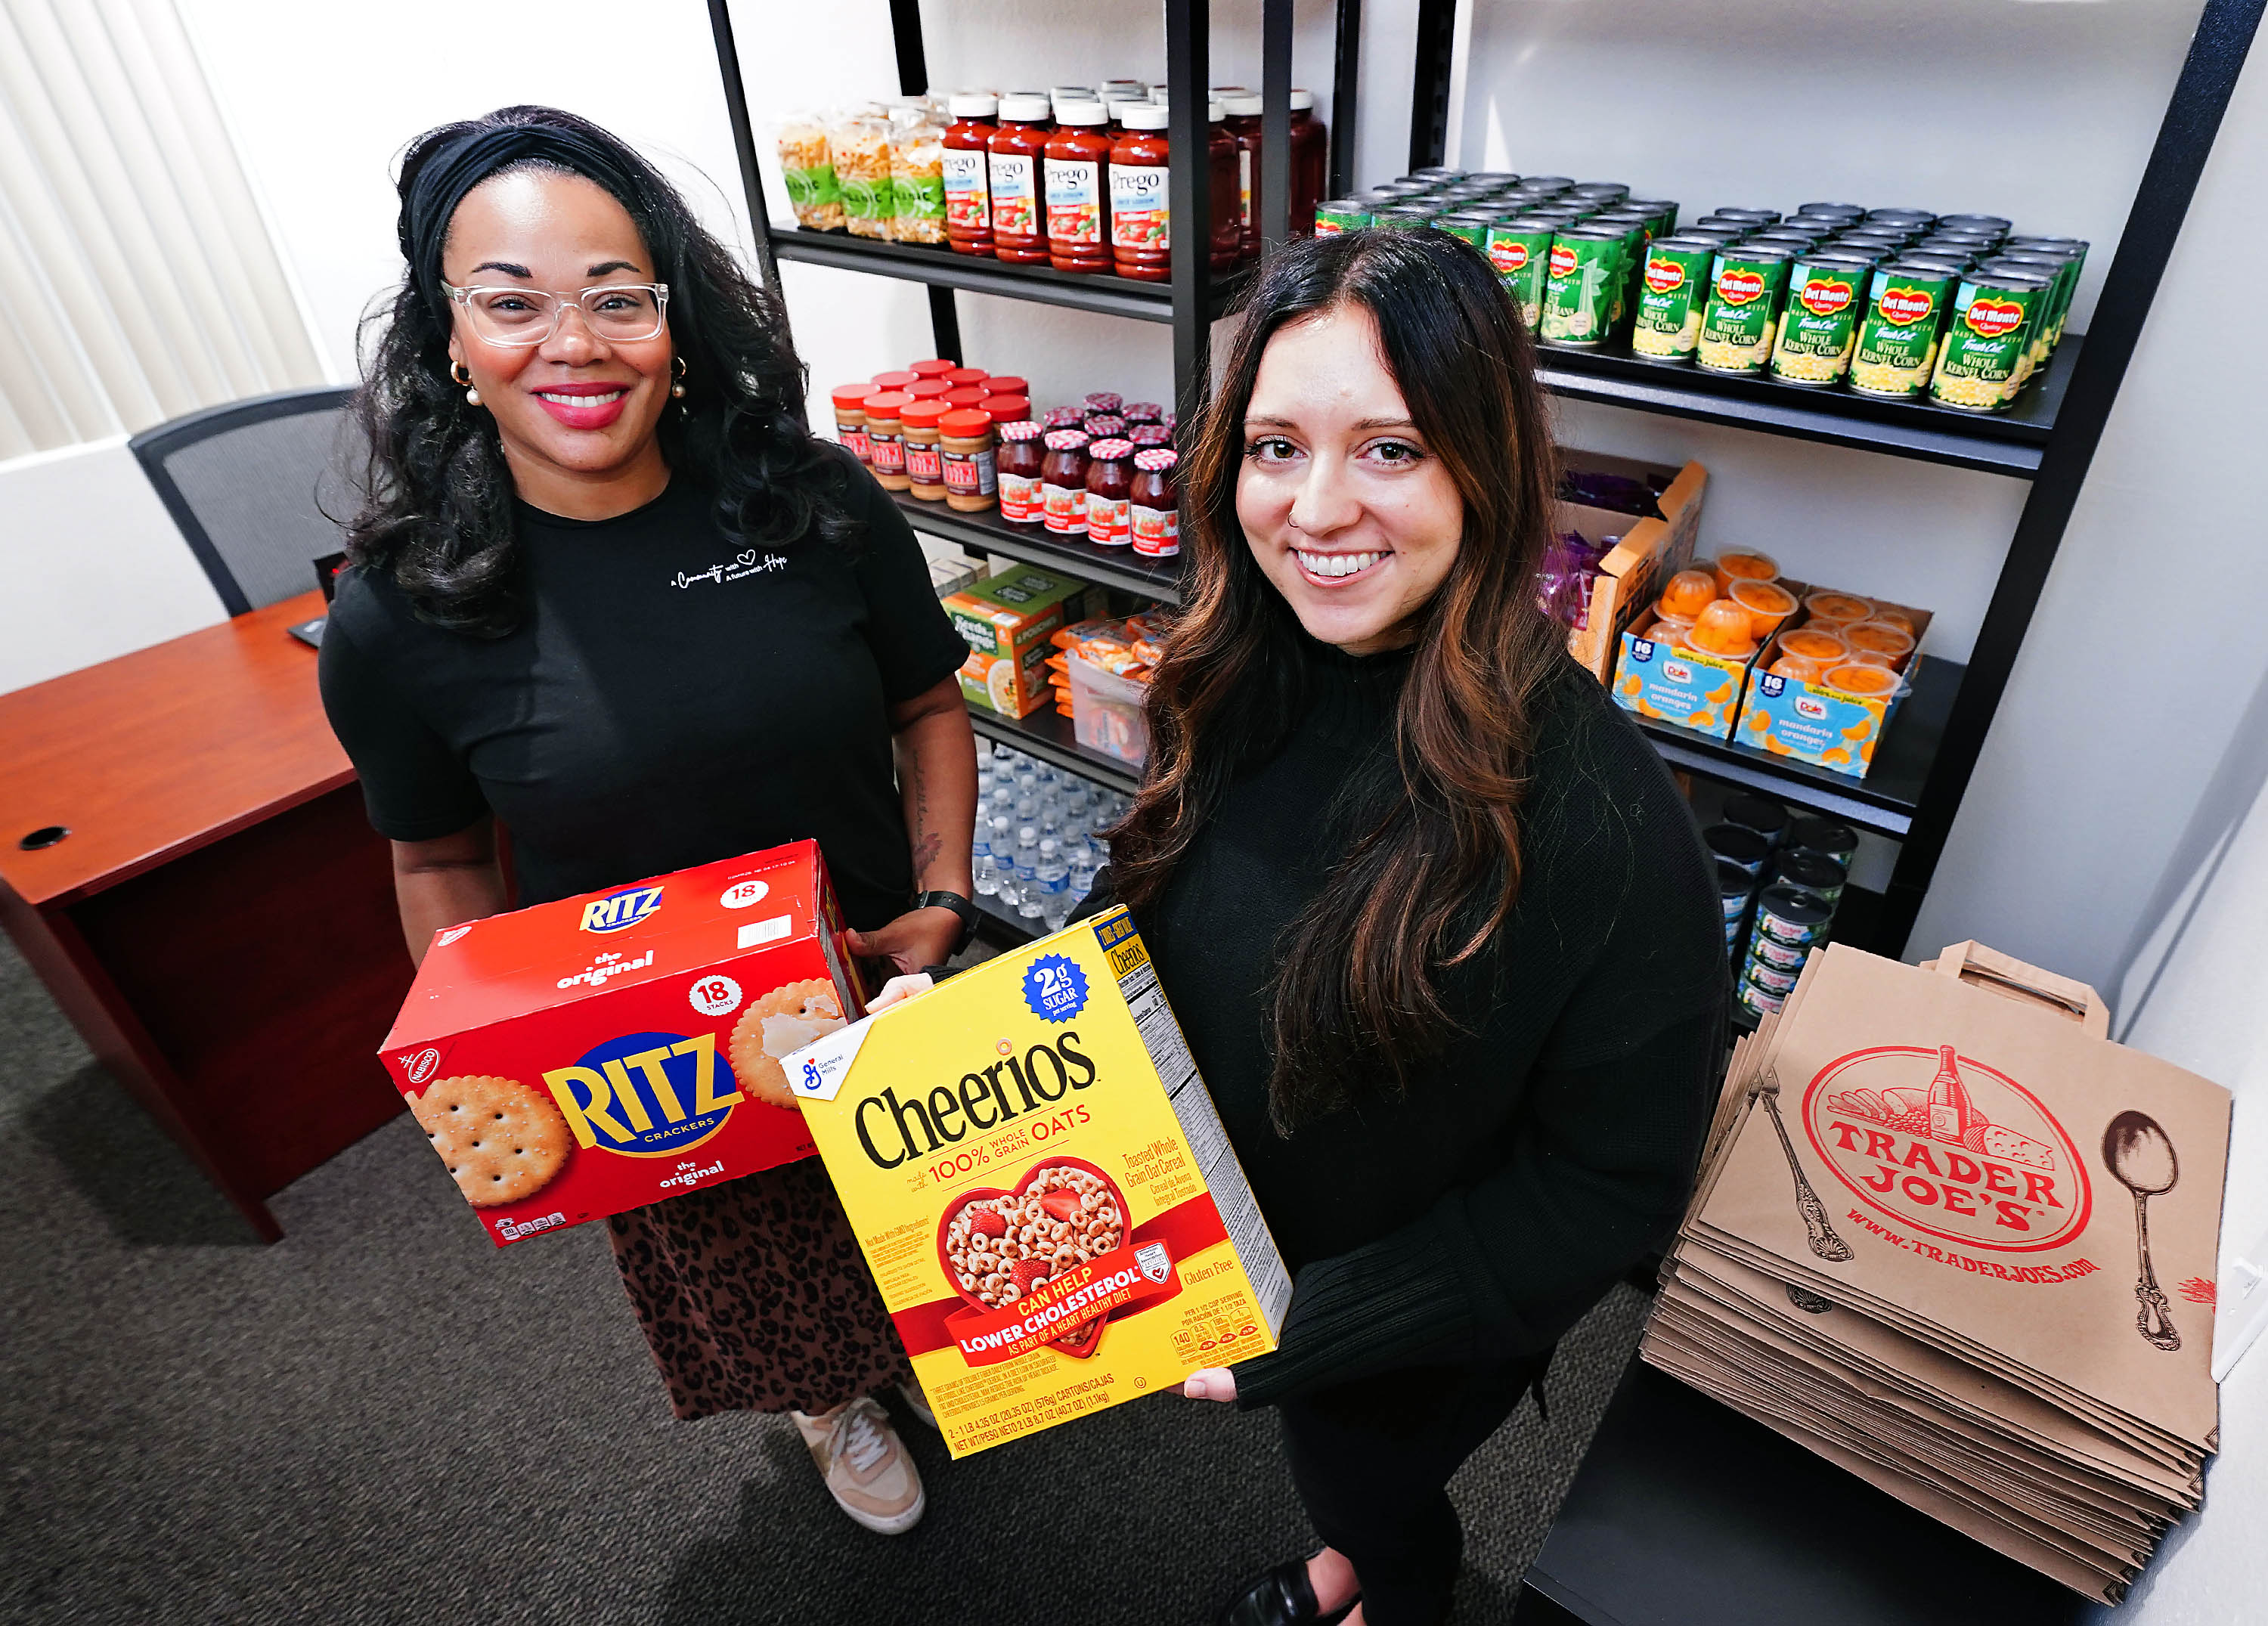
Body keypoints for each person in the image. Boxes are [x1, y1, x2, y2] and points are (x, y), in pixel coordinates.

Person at [317, 106, 979, 1535]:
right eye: (513, 302)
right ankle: (831, 1406)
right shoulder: (401, 612)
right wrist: (493, 1049)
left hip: (889, 994)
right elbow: (433, 857)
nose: (575, 341)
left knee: (952, 1235)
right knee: (783, 1290)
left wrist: (944, 896)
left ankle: (951, 1352)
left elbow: (929, 706)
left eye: (617, 296)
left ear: (673, 318)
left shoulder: (813, 501)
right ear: (448, 336)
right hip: (660, 1078)